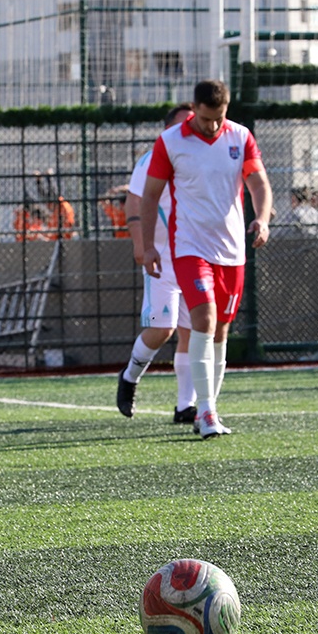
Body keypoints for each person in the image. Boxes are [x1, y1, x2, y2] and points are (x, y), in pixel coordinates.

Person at [138, 80, 273, 439]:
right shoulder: (170, 141)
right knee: (204, 319)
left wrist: (262, 218)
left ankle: (208, 407)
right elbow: (149, 196)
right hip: (189, 247)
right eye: (206, 118)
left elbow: (258, 183)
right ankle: (207, 411)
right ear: (194, 109)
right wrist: (149, 246)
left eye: (219, 118)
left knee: (221, 329)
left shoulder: (240, 136)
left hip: (231, 249)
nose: (213, 126)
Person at [116, 103, 198, 423]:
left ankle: (185, 406)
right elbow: (134, 201)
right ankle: (130, 376)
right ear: (167, 130)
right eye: (182, 125)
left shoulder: (203, 157)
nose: (189, 130)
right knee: (162, 329)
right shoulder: (151, 159)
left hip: (195, 255)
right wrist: (141, 244)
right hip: (161, 256)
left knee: (193, 329)